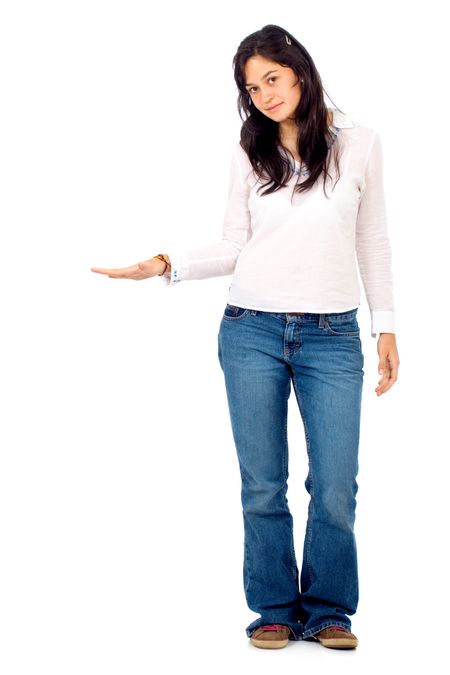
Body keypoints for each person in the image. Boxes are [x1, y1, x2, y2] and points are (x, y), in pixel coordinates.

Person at [91, 24, 400, 650]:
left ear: (301, 73)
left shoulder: (359, 143)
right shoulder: (249, 149)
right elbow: (235, 244)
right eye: (251, 87)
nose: (263, 95)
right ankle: (276, 609)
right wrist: (165, 263)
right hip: (250, 330)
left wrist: (386, 327)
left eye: (272, 79)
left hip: (333, 336)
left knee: (336, 483)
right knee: (263, 483)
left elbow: (373, 239)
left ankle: (330, 610)